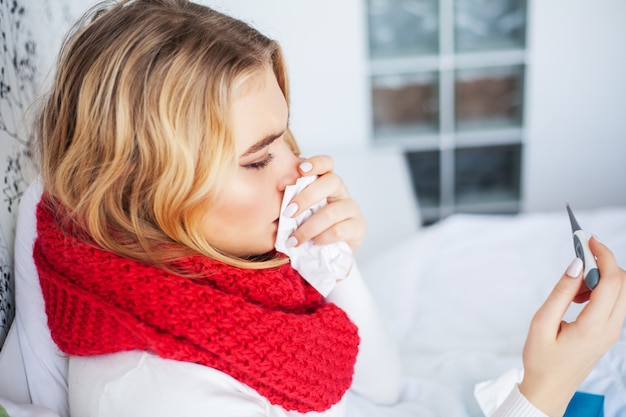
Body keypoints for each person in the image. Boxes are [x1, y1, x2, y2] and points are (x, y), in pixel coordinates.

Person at [31, 1, 626, 416]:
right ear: (140, 196)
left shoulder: (221, 273)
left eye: (286, 136)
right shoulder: (164, 399)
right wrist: (545, 392)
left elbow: (379, 391)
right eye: (258, 160)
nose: (299, 170)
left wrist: (334, 269)